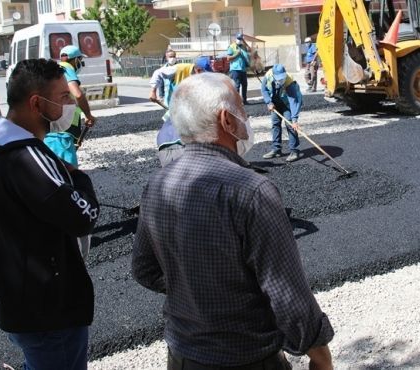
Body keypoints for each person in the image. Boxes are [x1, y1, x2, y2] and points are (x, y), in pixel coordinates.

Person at [132, 72, 334, 370]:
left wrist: (198, 291)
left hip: (182, 357)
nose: (247, 119)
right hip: (248, 358)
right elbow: (287, 294)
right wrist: (321, 357)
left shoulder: (157, 184)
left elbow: (144, 269)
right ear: (227, 120)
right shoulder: (251, 190)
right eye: (243, 110)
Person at [0, 58, 100, 369]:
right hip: (48, 306)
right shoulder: (25, 157)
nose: (70, 104)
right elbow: (84, 216)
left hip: (20, 295)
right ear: (35, 103)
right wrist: (76, 175)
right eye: (63, 97)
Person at [43, 45, 97, 168]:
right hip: (65, 124)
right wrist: (88, 115)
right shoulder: (67, 68)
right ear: (75, 59)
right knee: (65, 163)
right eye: (80, 60)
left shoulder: (54, 70)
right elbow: (77, 94)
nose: (81, 63)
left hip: (53, 122)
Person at [154, 56, 213, 167]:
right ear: (199, 70)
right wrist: (153, 90)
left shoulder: (170, 115)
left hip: (163, 149)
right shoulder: (180, 69)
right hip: (183, 151)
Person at [261, 64, 303, 162]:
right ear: (274, 75)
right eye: (279, 78)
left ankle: (294, 151)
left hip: (287, 104)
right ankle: (276, 149)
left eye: (282, 78)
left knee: (290, 125)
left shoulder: (289, 82)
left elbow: (294, 101)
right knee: (275, 124)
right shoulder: (268, 76)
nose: (281, 80)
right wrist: (269, 102)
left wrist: (294, 119)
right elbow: (264, 90)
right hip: (275, 102)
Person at [227, 33, 250, 104]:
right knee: (237, 86)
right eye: (239, 39)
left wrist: (245, 42)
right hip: (235, 69)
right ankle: (237, 102)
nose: (240, 40)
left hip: (243, 69)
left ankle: (244, 100)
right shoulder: (232, 46)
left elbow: (249, 49)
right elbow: (228, 58)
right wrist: (236, 54)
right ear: (235, 38)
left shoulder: (243, 46)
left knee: (245, 85)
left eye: (241, 39)